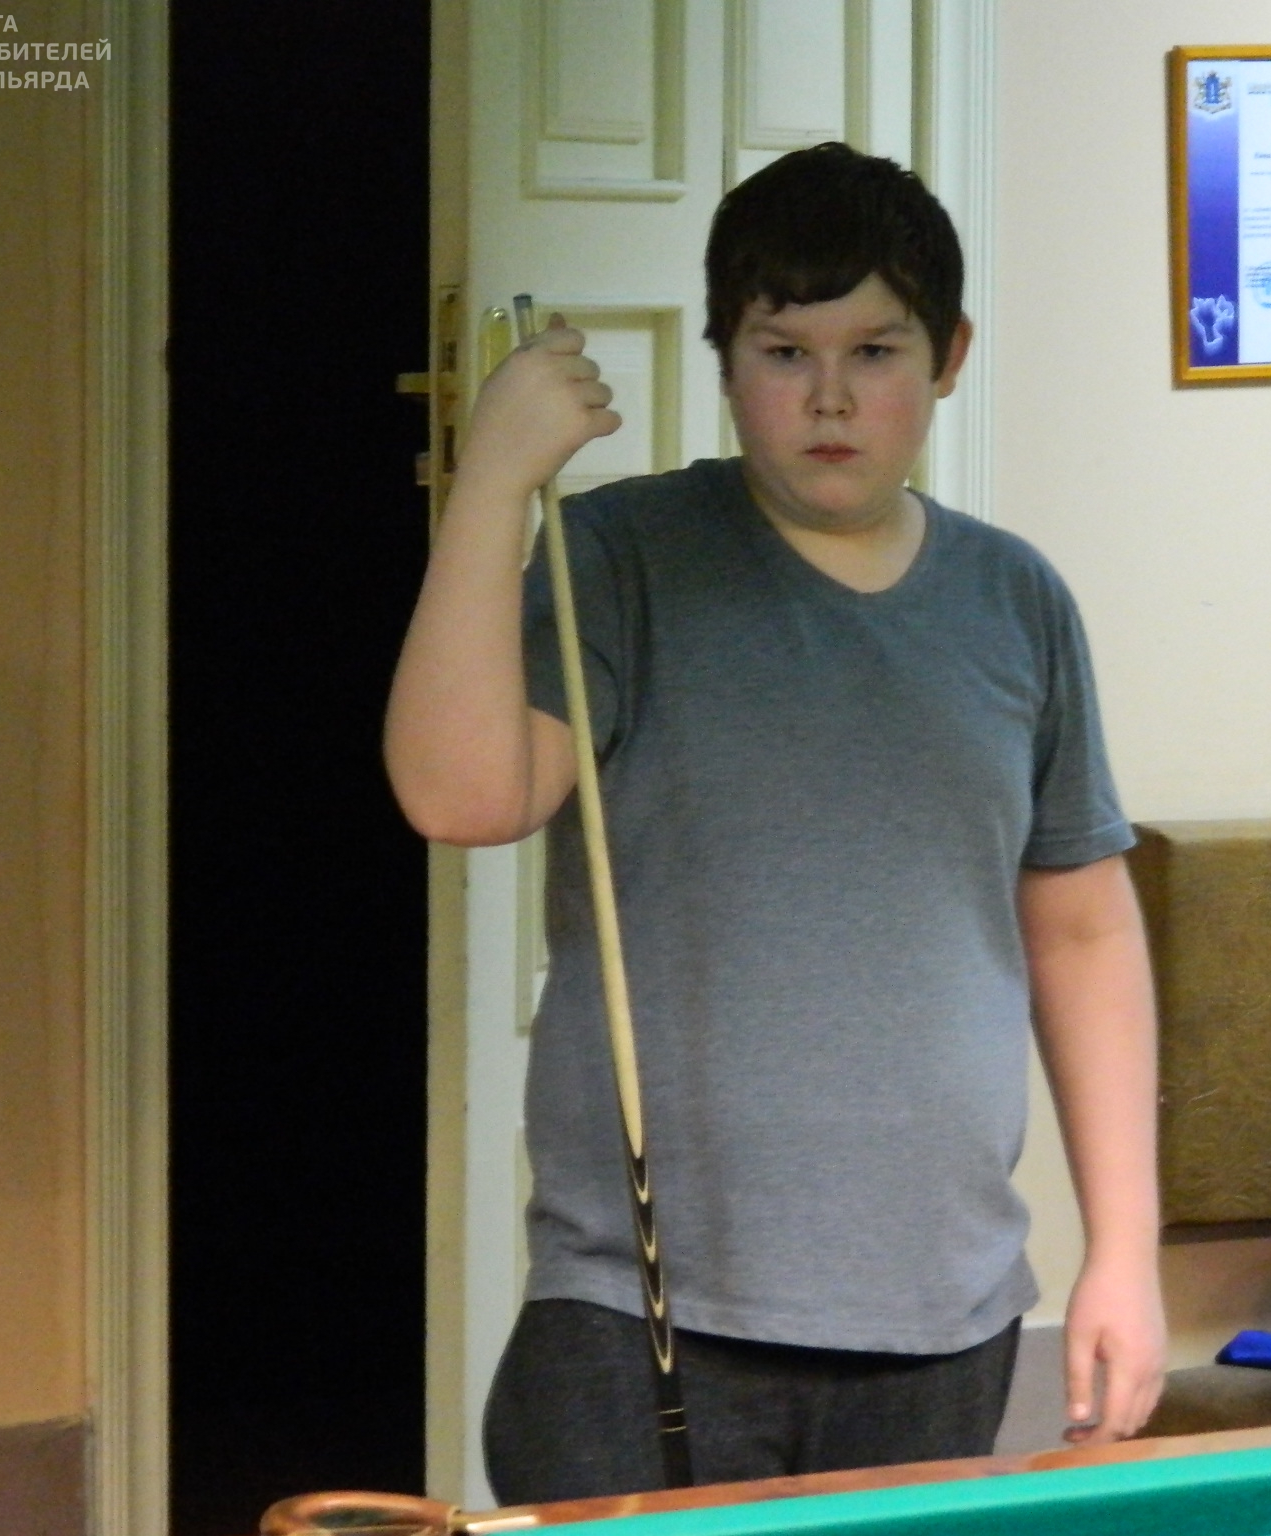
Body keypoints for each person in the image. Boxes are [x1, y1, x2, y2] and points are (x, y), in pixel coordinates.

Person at [384, 141, 1165, 1505]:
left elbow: (1085, 935)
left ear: (949, 356)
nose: (830, 397)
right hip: (638, 1311)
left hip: (939, 1317)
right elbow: (459, 795)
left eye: (876, 351)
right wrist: (493, 485)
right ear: (725, 360)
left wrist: (1127, 1255)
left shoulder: (1016, 602)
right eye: (784, 351)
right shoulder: (621, 558)